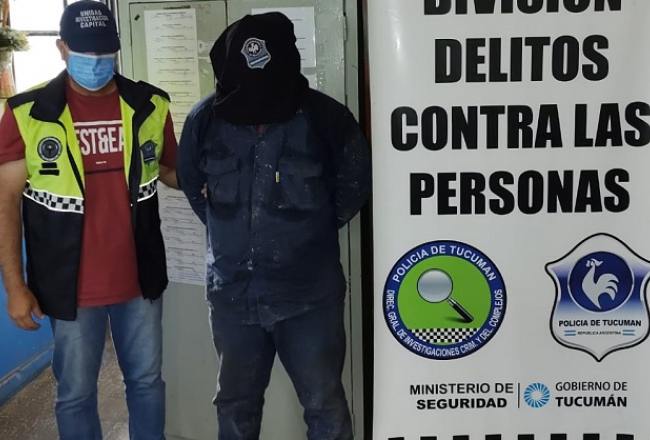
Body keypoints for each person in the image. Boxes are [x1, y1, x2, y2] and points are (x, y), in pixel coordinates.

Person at [177, 12, 371, 440]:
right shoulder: (204, 120)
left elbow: (355, 183)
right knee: (235, 406)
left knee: (324, 405)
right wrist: (233, 232)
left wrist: (312, 231)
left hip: (309, 298)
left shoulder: (326, 117)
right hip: (233, 297)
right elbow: (193, 186)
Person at [0, 1, 177, 439]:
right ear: (62, 48)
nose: (96, 62)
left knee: (147, 383)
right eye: (85, 52)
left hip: (139, 280)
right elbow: (6, 201)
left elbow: (172, 171)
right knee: (76, 394)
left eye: (104, 52)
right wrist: (15, 287)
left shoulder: (149, 105)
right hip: (69, 287)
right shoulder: (28, 112)